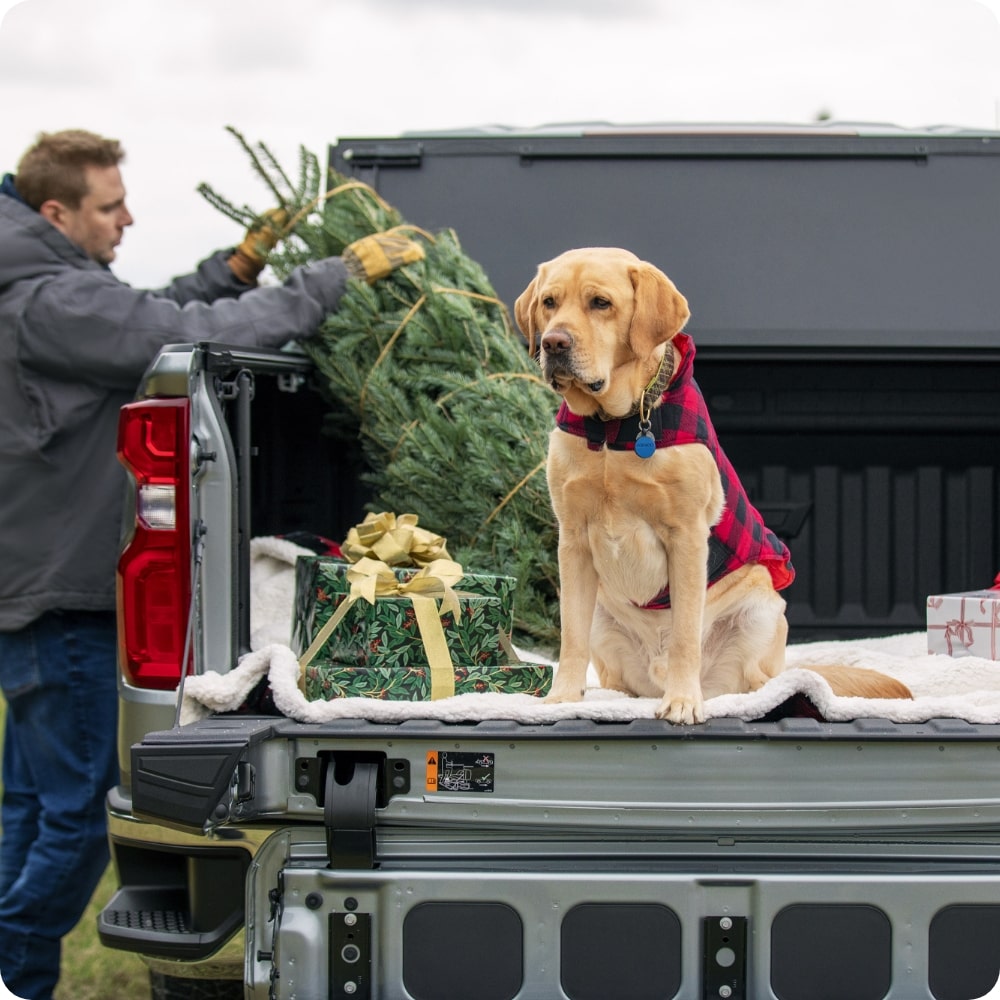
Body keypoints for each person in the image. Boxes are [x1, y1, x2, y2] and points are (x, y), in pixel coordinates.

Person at [0, 129, 423, 1000]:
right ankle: (18, 971)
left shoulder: (39, 286)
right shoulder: (45, 303)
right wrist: (330, 280)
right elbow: (182, 333)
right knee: (75, 817)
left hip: (35, 602)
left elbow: (150, 305)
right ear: (56, 213)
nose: (127, 218)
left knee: (29, 807)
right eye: (109, 206)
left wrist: (234, 264)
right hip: (64, 610)